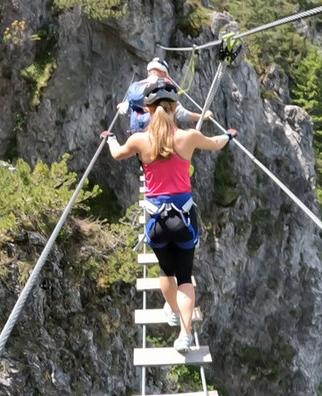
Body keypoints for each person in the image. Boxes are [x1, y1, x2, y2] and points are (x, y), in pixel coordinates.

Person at [101, 78, 237, 353]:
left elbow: (116, 154)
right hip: (184, 219)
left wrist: (110, 138)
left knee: (166, 270)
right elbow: (216, 143)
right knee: (185, 277)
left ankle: (172, 310)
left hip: (156, 223)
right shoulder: (187, 137)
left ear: (148, 111)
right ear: (175, 108)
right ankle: (184, 335)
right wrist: (230, 136)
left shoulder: (140, 140)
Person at [117, 57, 213, 134]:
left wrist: (123, 105)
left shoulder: (136, 86)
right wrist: (202, 116)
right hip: (156, 135)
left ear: (149, 72)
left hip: (136, 136)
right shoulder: (163, 86)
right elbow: (180, 114)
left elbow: (125, 107)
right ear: (164, 73)